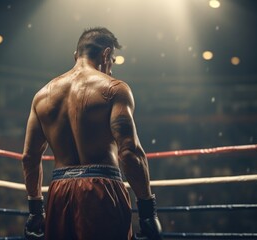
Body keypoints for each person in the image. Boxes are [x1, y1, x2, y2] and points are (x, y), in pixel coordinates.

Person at [22, 27, 162, 240]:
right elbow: (130, 152)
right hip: (101, 189)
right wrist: (147, 212)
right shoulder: (114, 89)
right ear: (106, 54)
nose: (111, 69)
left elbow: (29, 158)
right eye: (112, 60)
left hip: (59, 191)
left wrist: (35, 209)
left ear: (75, 55)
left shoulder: (42, 96)